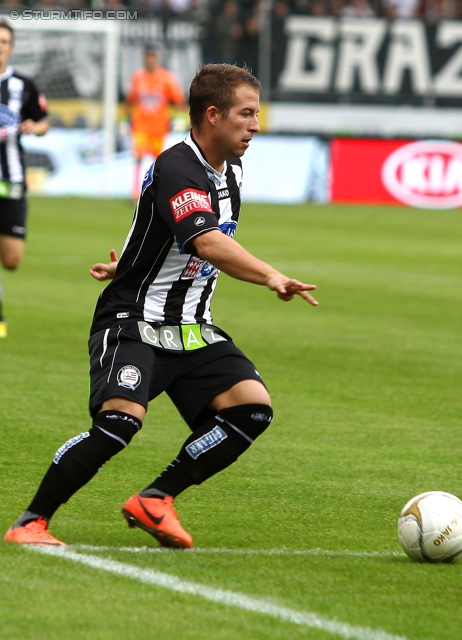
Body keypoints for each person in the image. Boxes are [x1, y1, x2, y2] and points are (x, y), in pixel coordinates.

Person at [4, 63, 318, 549]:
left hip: (191, 326)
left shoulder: (230, 169)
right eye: (247, 114)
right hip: (134, 319)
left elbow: (162, 230)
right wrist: (271, 275)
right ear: (213, 115)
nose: (256, 125)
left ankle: (156, 498)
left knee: (251, 410)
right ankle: (31, 521)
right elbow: (208, 242)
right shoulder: (179, 165)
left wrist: (129, 260)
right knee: (120, 422)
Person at [0, 19, 48, 338]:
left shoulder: (23, 84)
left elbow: (44, 121)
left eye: (4, 42)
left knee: (12, 259)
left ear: (11, 48)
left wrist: (35, 127)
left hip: (12, 180)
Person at [126, 44, 186, 202]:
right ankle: (135, 191)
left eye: (153, 56)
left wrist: (181, 119)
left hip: (159, 128)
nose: (151, 60)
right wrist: (125, 121)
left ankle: (157, 191)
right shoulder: (138, 77)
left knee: (159, 162)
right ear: (145, 58)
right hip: (140, 125)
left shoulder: (166, 78)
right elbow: (130, 100)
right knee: (138, 156)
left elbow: (179, 100)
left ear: (157, 58)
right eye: (148, 56)